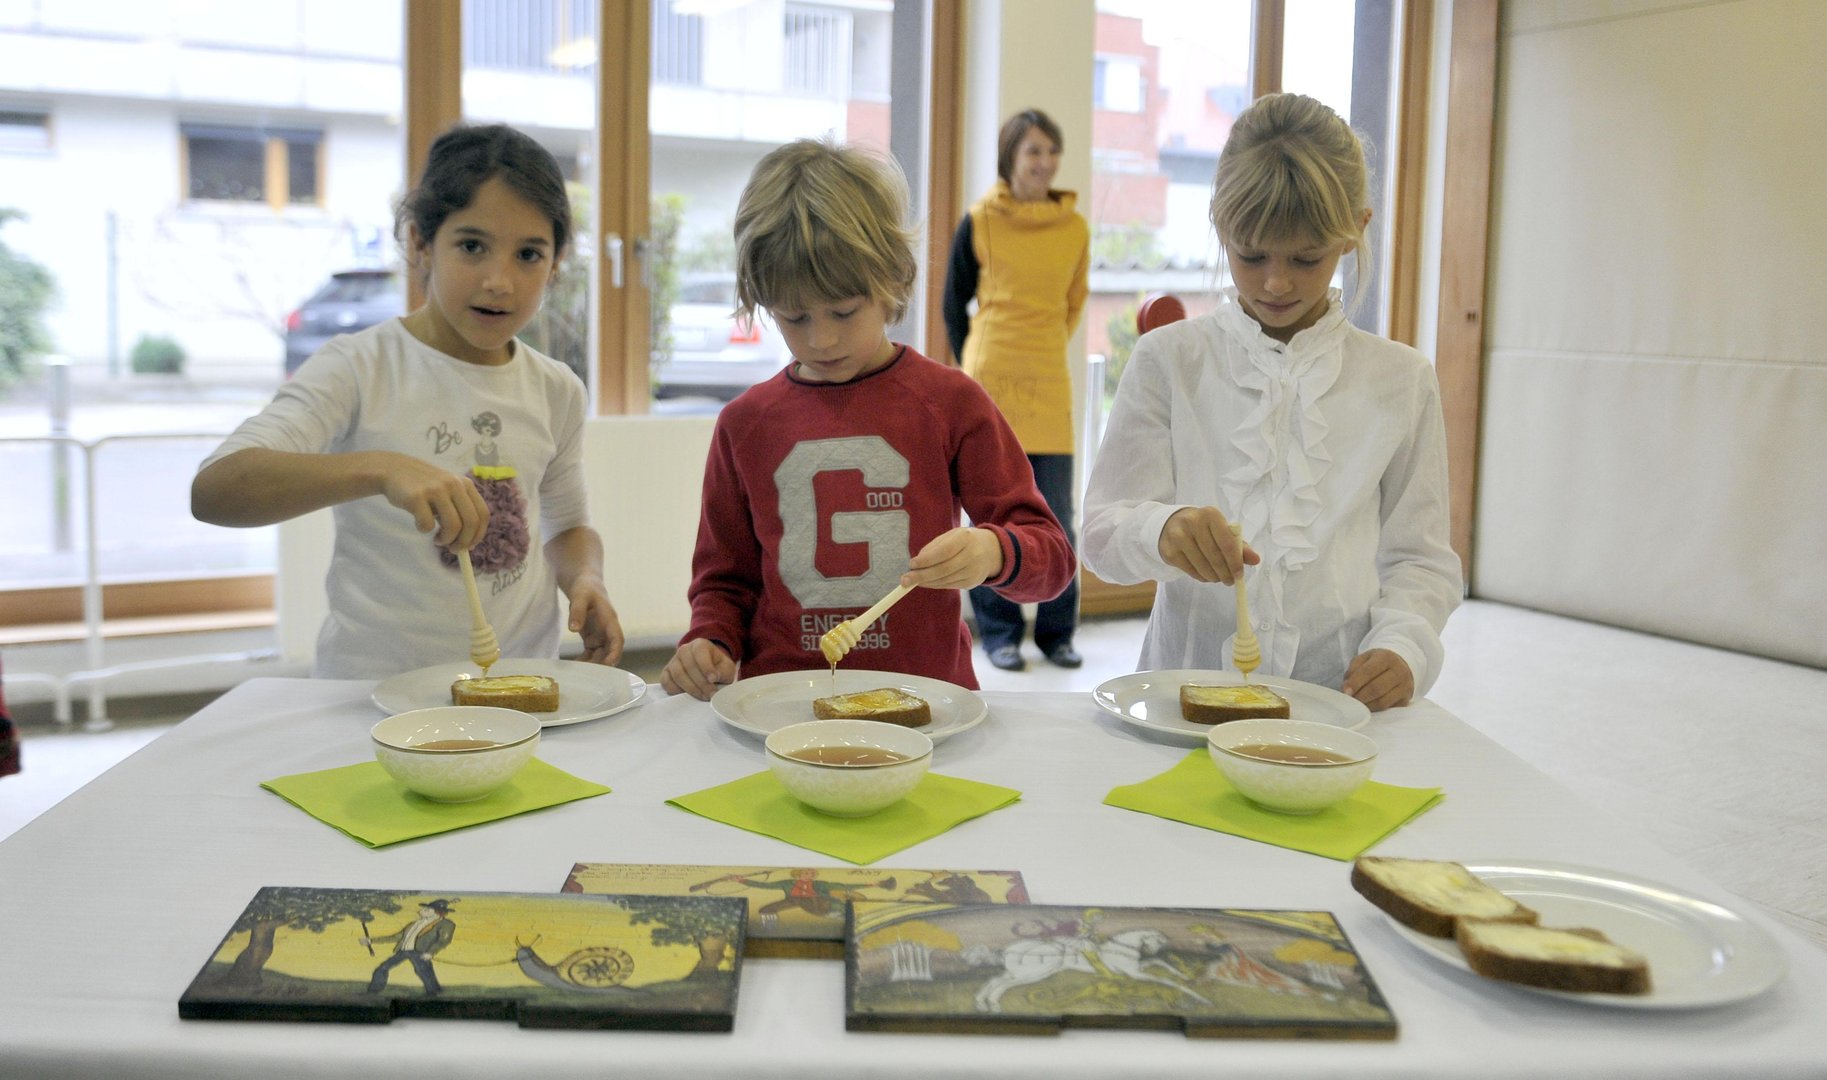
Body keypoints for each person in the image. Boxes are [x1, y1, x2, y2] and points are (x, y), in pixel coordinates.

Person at [192, 124, 623, 679]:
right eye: (472, 246)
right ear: (420, 243)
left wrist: (586, 580)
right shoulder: (359, 367)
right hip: (371, 696)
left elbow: (567, 526)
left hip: (516, 688)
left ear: (556, 263)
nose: (500, 281)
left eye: (529, 255)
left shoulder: (556, 387)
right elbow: (216, 490)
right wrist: (380, 468)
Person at [1081, 93, 1462, 712]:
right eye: (1249, 255)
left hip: (1335, 699)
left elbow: (1421, 558)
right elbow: (1099, 533)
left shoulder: (1402, 379)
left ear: (1355, 231)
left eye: (1306, 258)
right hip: (1183, 698)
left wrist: (1405, 646)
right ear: (1218, 226)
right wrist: (1162, 528)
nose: (1275, 282)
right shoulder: (1169, 361)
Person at [659, 138, 1075, 700]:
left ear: (893, 282)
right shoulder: (744, 424)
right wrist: (711, 640)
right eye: (794, 315)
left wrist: (992, 551)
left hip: (928, 703)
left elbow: (1052, 557)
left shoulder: (952, 403)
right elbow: (724, 581)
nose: (821, 337)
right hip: (781, 705)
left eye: (844, 310)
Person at [942, 109, 1091, 672]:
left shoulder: (1075, 228)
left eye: (1051, 151)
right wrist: (972, 363)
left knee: (1057, 514)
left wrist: (1041, 346)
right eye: (1033, 151)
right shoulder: (980, 219)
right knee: (991, 516)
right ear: (1010, 158)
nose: (1044, 162)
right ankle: (999, 634)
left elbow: (1075, 303)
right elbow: (952, 302)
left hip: (1048, 378)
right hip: (992, 379)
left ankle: (1057, 635)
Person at [363, 899, 457, 995]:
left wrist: (430, 952)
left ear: (437, 912)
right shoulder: (414, 923)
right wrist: (372, 941)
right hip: (404, 950)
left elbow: (443, 941)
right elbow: (397, 936)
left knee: (423, 971)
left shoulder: (446, 924)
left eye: (426, 910)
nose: (420, 911)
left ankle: (433, 992)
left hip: (420, 952)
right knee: (383, 968)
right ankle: (373, 991)